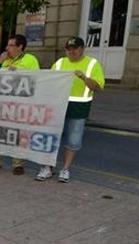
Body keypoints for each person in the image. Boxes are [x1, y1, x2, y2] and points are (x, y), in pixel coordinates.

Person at [38, 37, 105, 183]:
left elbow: (97, 87)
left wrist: (84, 78)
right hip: (58, 106)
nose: (71, 52)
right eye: (68, 49)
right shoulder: (60, 63)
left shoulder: (92, 64)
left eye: (75, 48)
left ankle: (65, 169)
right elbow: (49, 81)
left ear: (82, 49)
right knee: (51, 138)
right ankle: (47, 167)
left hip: (78, 108)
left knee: (73, 141)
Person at [0, 34, 40, 175]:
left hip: (21, 104)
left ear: (20, 47)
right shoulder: (5, 60)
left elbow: (36, 79)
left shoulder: (30, 60)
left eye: (10, 45)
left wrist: (17, 71)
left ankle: (18, 164)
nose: (7, 48)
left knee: (19, 134)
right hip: (4, 102)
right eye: (7, 45)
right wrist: (0, 63)